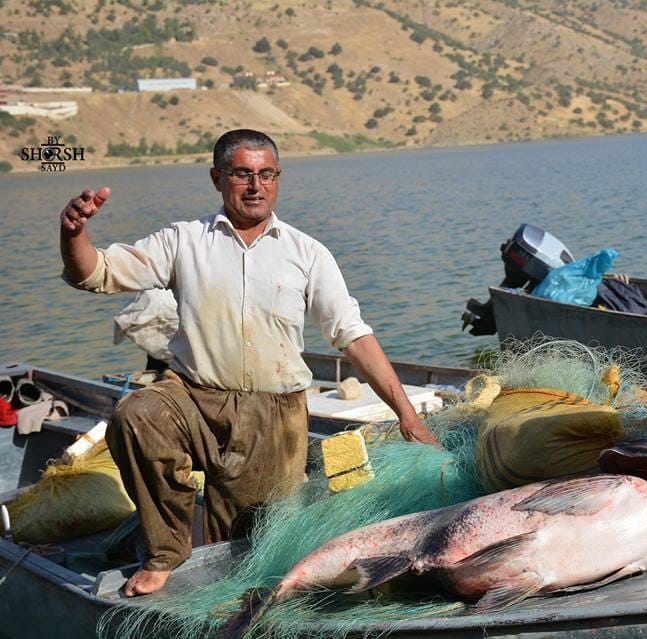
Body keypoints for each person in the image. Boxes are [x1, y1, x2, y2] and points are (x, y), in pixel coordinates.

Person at [59, 129, 440, 597]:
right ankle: (164, 552)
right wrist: (74, 233)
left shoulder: (307, 253)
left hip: (273, 415)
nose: (256, 185)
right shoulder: (184, 240)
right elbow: (95, 272)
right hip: (192, 396)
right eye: (242, 174)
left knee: (245, 549)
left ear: (278, 179)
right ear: (218, 178)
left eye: (267, 174)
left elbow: (353, 336)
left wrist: (406, 414)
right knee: (136, 416)